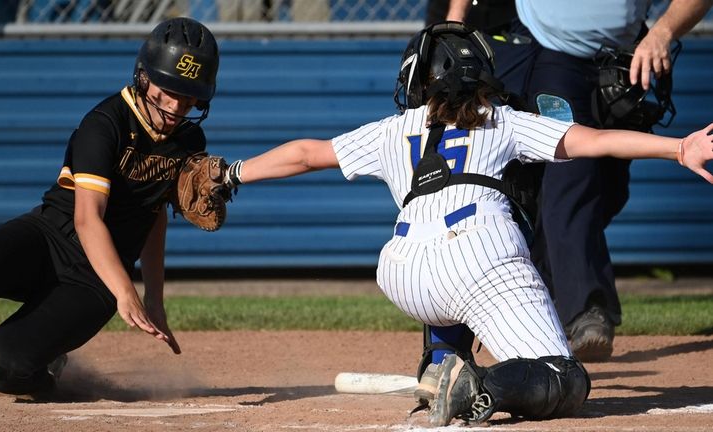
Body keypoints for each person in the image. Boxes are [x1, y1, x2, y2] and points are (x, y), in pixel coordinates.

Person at [219, 21, 713, 426]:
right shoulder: (501, 119)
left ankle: (440, 365)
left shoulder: (397, 128)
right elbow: (593, 141)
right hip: (480, 254)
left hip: (402, 271)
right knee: (565, 379)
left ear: (421, 79)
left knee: (452, 282)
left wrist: (231, 172)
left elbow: (306, 154)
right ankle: (479, 384)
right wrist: (678, 148)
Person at [0, 17, 218, 397]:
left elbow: (153, 215)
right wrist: (127, 292)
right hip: (48, 239)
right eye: (167, 87)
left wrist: (154, 296)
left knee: (4, 367)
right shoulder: (105, 123)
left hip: (92, 282)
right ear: (143, 76)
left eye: (188, 95)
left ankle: (50, 360)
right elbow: (88, 219)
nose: (176, 104)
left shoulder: (189, 139)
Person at [426, 0, 713, 363]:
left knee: (609, 190)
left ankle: (529, 302)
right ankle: (587, 312)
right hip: (553, 56)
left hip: (626, 56)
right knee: (572, 176)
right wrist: (455, 21)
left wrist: (663, 31)